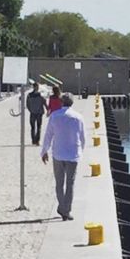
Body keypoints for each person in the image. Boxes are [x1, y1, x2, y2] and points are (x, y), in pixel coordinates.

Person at [40, 93, 86, 221]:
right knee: (70, 183)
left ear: (61, 102)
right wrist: (80, 151)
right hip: (73, 154)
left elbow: (48, 135)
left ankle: (62, 207)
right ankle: (66, 210)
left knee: (59, 183)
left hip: (58, 154)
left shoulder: (54, 116)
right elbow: (83, 138)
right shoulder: (78, 117)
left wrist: (44, 151)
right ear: (72, 103)